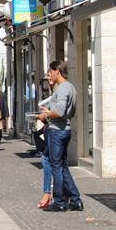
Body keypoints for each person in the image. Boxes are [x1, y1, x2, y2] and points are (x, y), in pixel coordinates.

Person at [38, 61, 83, 212]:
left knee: (55, 165)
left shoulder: (63, 88)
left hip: (57, 130)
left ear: (57, 71)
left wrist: (47, 114)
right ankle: (76, 200)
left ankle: (59, 202)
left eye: (50, 72)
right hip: (63, 129)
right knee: (61, 166)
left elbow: (60, 112)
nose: (49, 75)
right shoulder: (70, 87)